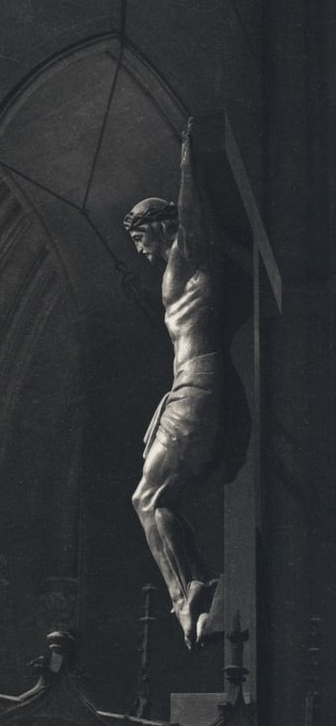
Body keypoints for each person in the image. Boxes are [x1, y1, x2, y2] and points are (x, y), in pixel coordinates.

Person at [125, 119, 222, 649]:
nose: (141, 250)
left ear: (160, 226)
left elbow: (193, 213)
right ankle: (193, 587)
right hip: (185, 388)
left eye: (142, 237)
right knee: (153, 499)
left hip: (196, 385)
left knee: (147, 498)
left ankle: (188, 596)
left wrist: (189, 155)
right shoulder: (174, 270)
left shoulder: (187, 253)